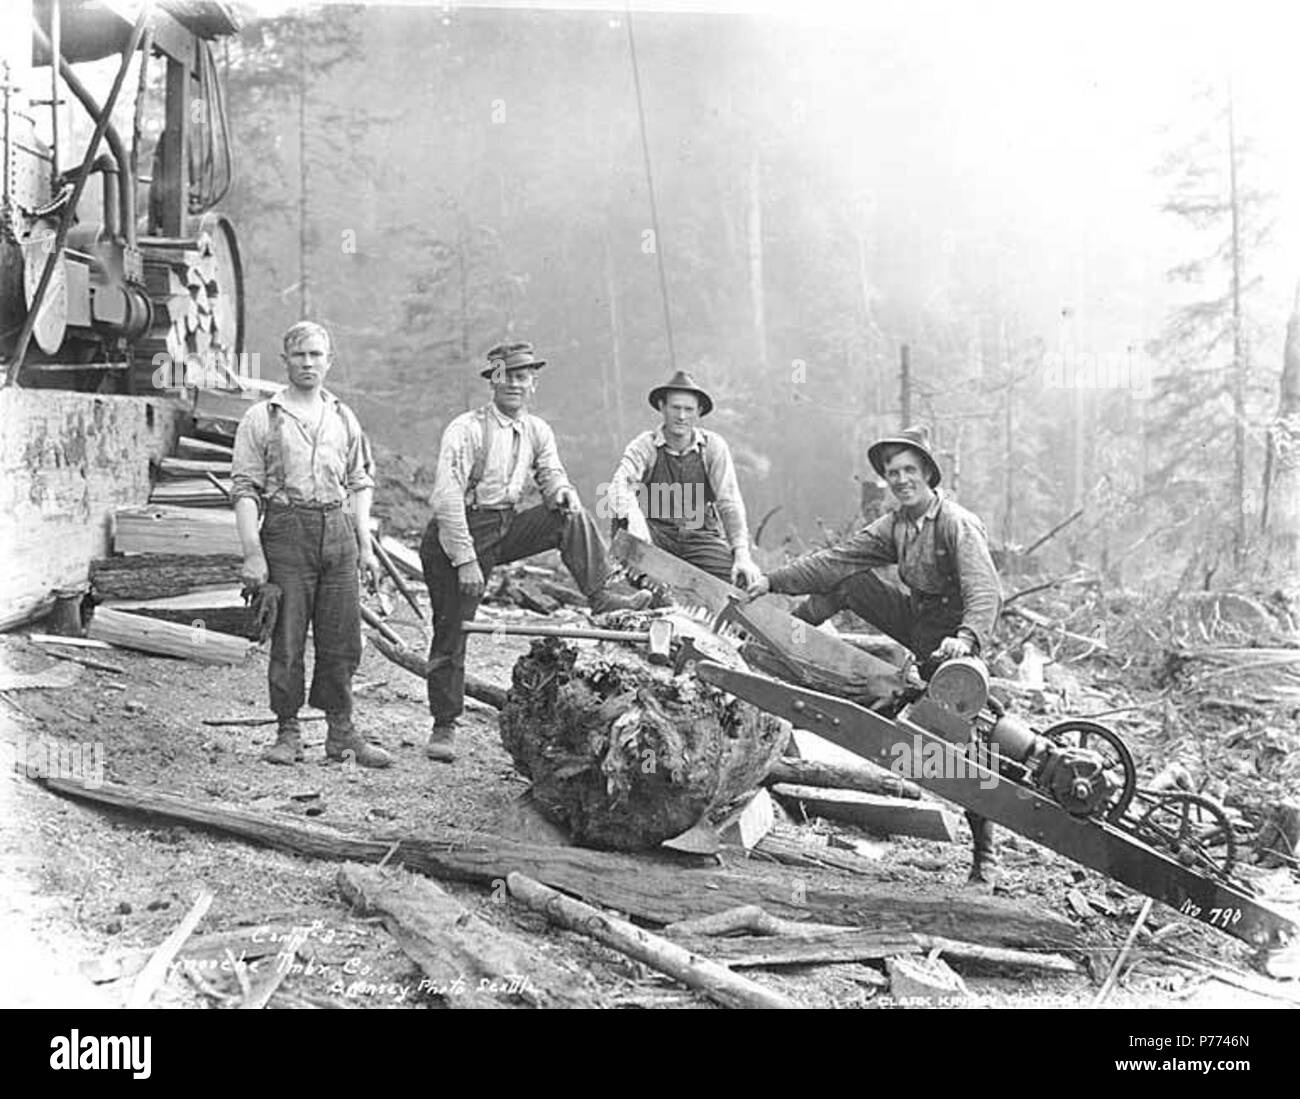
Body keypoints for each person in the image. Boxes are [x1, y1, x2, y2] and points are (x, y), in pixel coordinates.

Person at [744, 425, 1003, 883]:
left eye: (909, 470)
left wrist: (965, 639)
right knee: (850, 581)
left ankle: (986, 853)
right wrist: (772, 582)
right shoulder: (895, 525)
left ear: (928, 474)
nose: (901, 479)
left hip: (956, 642)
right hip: (920, 625)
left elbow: (985, 591)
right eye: (892, 472)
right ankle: (790, 636)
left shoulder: (956, 524)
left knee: (964, 738)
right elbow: (836, 560)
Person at [419, 341, 651, 763]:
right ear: (492, 380)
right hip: (457, 534)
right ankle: (444, 722)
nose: (514, 384)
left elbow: (551, 472)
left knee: (569, 513)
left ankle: (601, 594)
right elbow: (446, 498)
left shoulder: (537, 430)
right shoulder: (466, 429)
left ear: (534, 384)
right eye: (505, 375)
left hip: (504, 525)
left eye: (522, 376)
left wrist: (560, 492)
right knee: (454, 629)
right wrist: (466, 559)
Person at [231, 321, 393, 769]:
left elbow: (360, 480)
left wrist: (362, 540)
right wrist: (252, 552)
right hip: (286, 530)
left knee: (342, 638)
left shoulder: (342, 416)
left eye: (316, 355)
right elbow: (245, 489)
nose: (308, 363)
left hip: (337, 530)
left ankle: (341, 733)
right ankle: (288, 732)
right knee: (287, 638)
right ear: (285, 361)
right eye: (299, 355)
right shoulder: (262, 417)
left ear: (329, 360)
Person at [606, 369, 758, 587]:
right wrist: (636, 522)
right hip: (655, 536)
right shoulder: (645, 445)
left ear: (699, 412)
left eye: (689, 409)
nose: (682, 416)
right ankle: (639, 587)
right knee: (623, 523)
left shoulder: (712, 447)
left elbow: (729, 503)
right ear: (662, 407)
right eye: (675, 408)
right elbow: (618, 487)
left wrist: (742, 554)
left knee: (738, 582)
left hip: (699, 538)